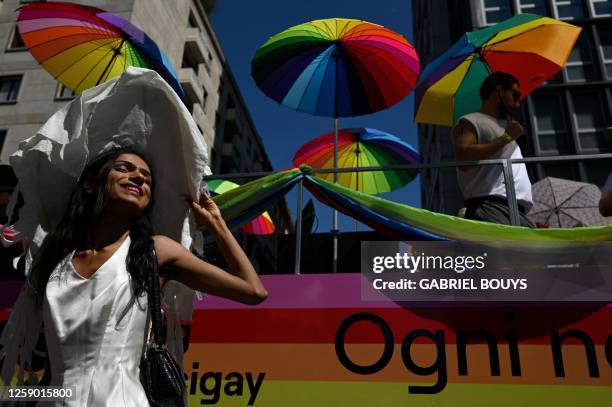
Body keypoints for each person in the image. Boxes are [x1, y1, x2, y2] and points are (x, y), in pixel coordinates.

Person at [0, 68, 266, 406]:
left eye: (147, 177)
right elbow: (55, 375)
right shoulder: (56, 254)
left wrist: (217, 224)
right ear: (91, 183)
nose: (138, 178)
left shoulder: (156, 250)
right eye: (125, 169)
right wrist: (17, 396)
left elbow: (254, 291)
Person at [452, 71, 534, 226]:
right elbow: (463, 158)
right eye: (514, 95)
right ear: (499, 91)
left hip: (518, 211)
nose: (517, 104)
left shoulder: (507, 127)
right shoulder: (471, 121)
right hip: (491, 206)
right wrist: (506, 138)